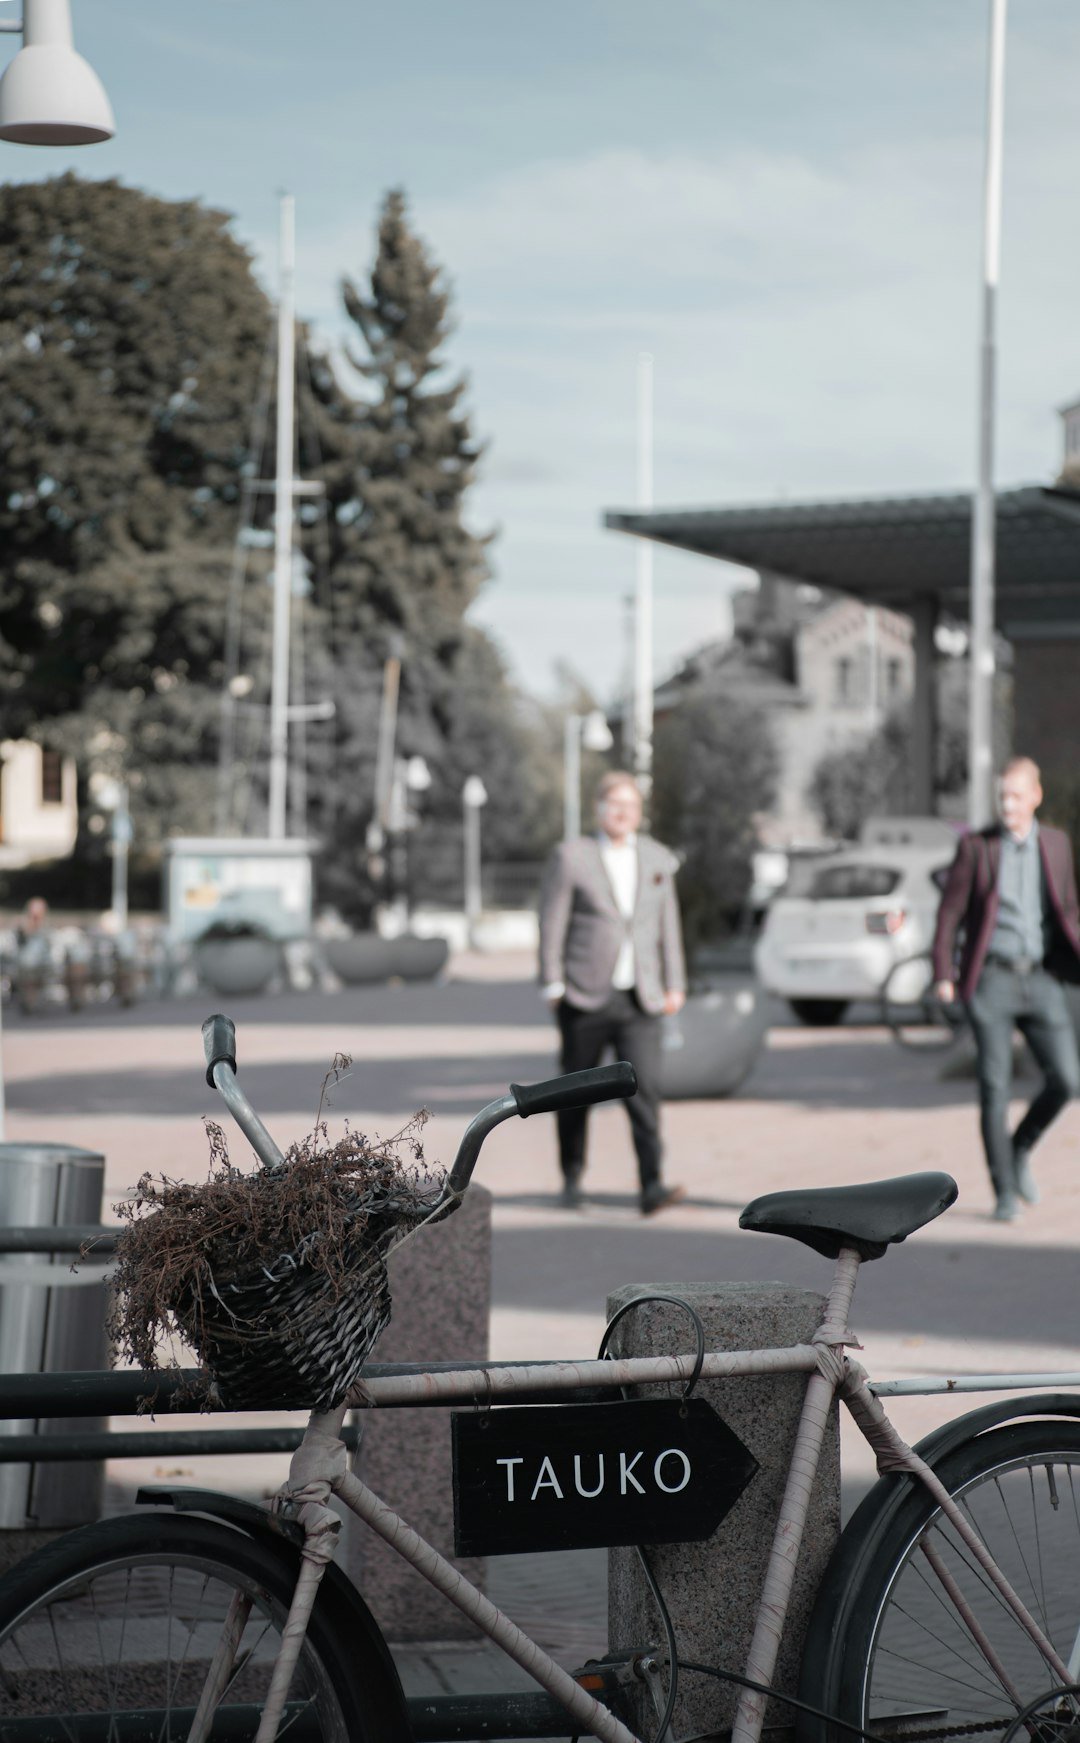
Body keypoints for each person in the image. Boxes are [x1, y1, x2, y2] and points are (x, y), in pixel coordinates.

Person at [932, 756, 1080, 1220]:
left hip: (1040, 978)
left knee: (1067, 1080)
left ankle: (1018, 1149)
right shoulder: (977, 847)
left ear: (1036, 796)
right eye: (1002, 796)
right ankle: (1003, 1193)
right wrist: (944, 973)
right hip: (992, 980)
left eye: (1016, 796)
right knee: (994, 1088)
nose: (1008, 805)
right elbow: (950, 913)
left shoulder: (1056, 844)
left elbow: (1067, 909)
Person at [538, 769, 687, 1215]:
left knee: (646, 1091)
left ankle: (651, 1185)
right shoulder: (571, 857)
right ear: (599, 808)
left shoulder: (657, 858)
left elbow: (668, 926)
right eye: (615, 804)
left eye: (631, 805)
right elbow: (551, 920)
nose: (623, 813)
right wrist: (552, 980)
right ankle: (571, 1177)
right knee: (573, 1094)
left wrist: (675, 983)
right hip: (584, 995)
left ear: (639, 812)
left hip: (641, 997)